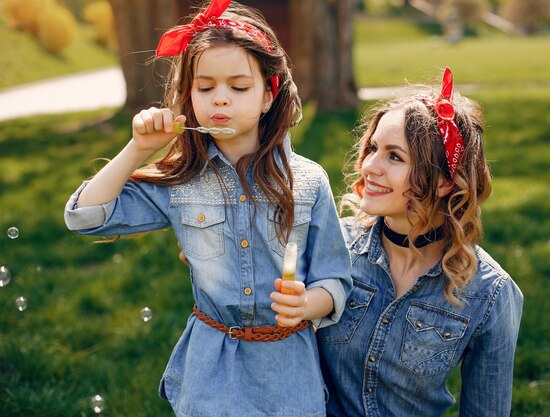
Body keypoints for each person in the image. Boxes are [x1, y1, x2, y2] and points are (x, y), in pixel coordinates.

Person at [64, 1, 352, 416]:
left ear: (269, 95)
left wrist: (309, 304)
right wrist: (139, 149)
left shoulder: (307, 182)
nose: (221, 100)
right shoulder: (181, 179)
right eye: (205, 88)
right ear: (189, 95)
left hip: (287, 369)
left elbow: (336, 280)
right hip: (210, 367)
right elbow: (84, 217)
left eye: (238, 88)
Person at [316, 67, 524, 416]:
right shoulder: (331, 244)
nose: (369, 166)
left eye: (394, 156)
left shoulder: (488, 294)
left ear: (444, 182)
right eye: (372, 148)